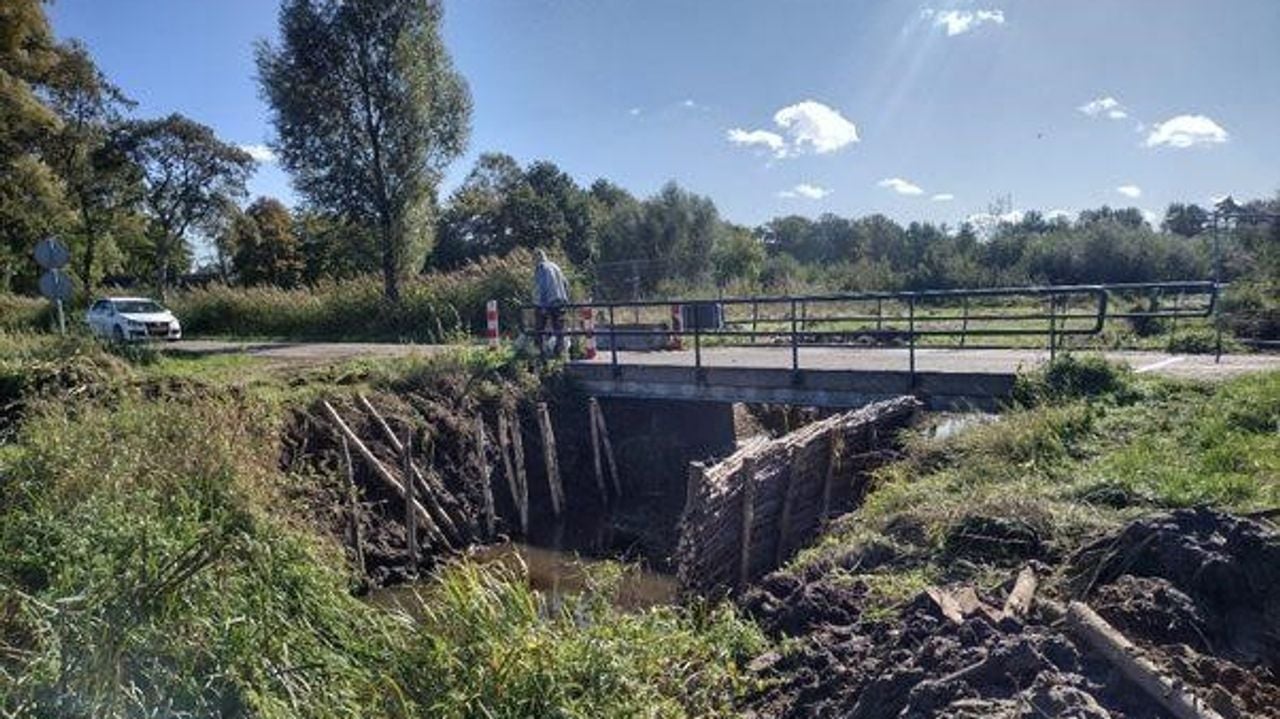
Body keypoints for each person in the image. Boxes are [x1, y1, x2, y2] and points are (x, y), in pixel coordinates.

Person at [533, 249, 570, 358]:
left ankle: (540, 353)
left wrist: (543, 305)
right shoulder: (555, 266)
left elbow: (543, 288)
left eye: (534, 259)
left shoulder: (541, 267)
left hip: (548, 301)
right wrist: (565, 298)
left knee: (539, 327)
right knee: (559, 328)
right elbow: (565, 283)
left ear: (537, 258)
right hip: (560, 301)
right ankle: (560, 353)